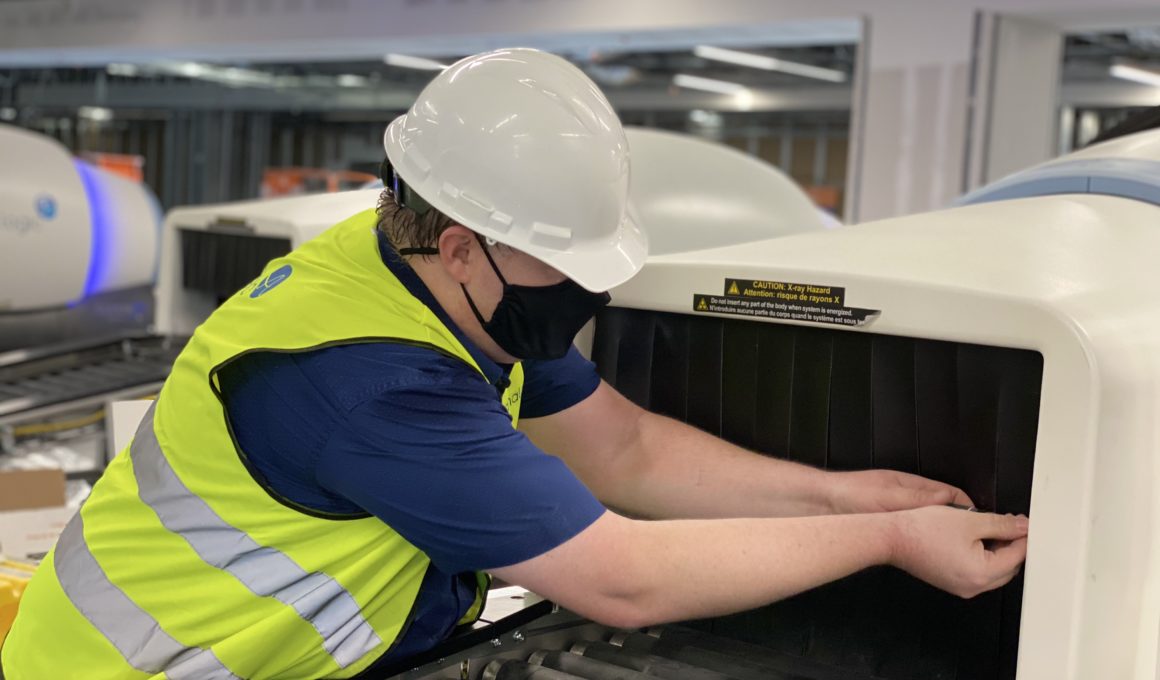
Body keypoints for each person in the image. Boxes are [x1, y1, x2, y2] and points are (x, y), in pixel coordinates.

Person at [0, 48, 1027, 680]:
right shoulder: (373, 380)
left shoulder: (427, 284)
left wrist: (846, 494)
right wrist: (888, 541)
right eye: (563, 265)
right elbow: (622, 580)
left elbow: (625, 450)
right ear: (460, 246)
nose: (585, 292)